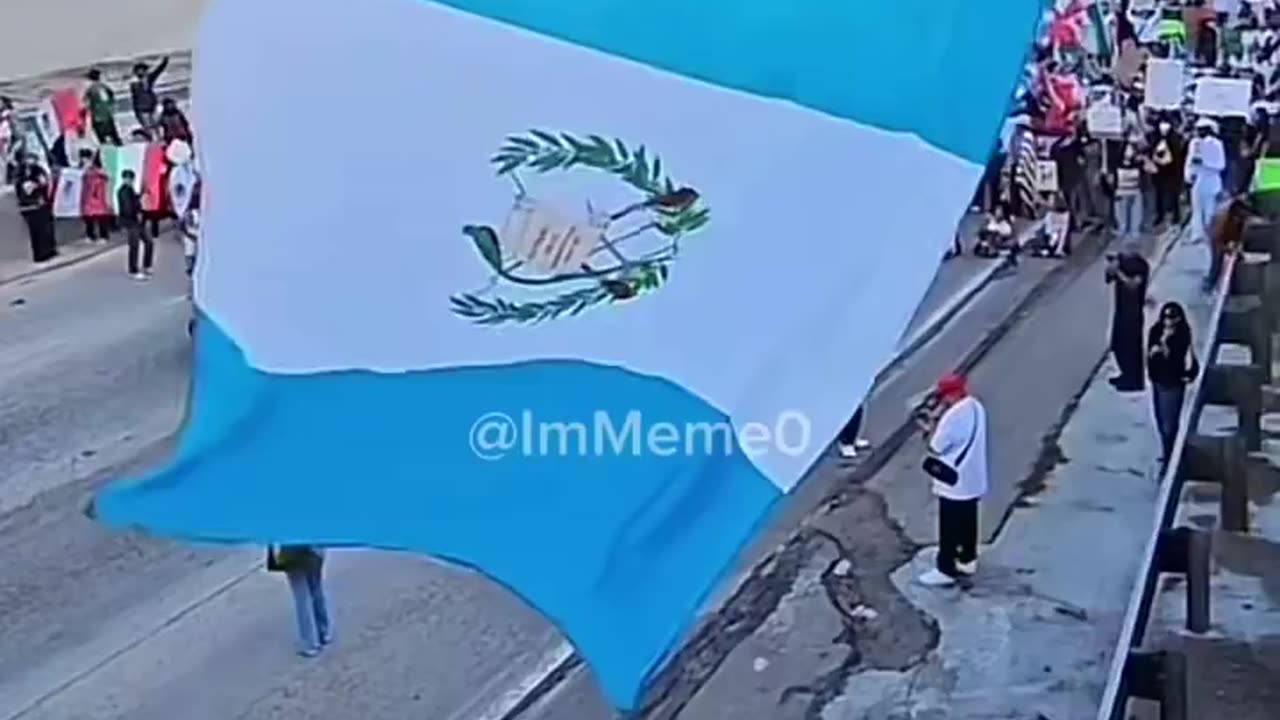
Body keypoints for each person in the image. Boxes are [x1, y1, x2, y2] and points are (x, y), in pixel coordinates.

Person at [916, 374, 988, 587]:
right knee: (968, 521)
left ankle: (945, 568)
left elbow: (936, 446)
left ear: (950, 394)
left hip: (954, 482)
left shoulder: (953, 416)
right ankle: (967, 559)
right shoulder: (976, 406)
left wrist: (929, 429)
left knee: (949, 527)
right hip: (973, 478)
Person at [1148, 302, 1199, 464]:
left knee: (1170, 424)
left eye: (1172, 317)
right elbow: (1149, 357)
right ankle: (1167, 452)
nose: (1168, 321)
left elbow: (1179, 358)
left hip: (1173, 384)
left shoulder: (1182, 335)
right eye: (1165, 317)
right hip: (1158, 382)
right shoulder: (1155, 331)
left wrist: (1165, 346)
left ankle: (1172, 456)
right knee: (1160, 420)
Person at [268, 545, 333, 656]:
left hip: (292, 553)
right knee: (316, 590)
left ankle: (310, 643)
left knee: (301, 597)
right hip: (314, 549)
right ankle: (324, 632)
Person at [1105, 244, 1150, 392]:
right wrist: (1113, 267)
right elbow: (1108, 277)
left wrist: (1119, 272)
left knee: (1131, 347)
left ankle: (1133, 380)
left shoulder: (1140, 266)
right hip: (1121, 310)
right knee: (1118, 345)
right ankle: (1124, 374)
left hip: (1133, 312)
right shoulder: (1122, 262)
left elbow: (1133, 285)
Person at [1186, 117, 1226, 246]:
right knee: (1196, 209)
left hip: (1211, 180)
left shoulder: (1217, 144)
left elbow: (1221, 165)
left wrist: (1205, 163)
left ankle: (1211, 234)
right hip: (1198, 180)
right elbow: (1189, 160)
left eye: (1202, 130)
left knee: (1210, 209)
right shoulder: (1194, 143)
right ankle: (1197, 234)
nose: (1199, 133)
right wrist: (1188, 175)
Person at [14, 154, 58, 263]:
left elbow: (45, 182)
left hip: (39, 203)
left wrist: (38, 185)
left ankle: (48, 251)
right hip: (30, 205)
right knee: (36, 231)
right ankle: (39, 254)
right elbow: (19, 188)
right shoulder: (20, 173)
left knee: (44, 228)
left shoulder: (38, 170)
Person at [1205, 194, 1252, 290]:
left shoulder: (1241, 217)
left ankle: (1233, 285)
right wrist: (1227, 249)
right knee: (1217, 261)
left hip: (1227, 234)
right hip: (1216, 236)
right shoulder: (1222, 219)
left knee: (1236, 259)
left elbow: (1240, 233)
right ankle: (1210, 283)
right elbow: (1217, 241)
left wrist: (1237, 246)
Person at [117, 169, 153, 279]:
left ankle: (146, 266)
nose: (129, 180)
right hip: (131, 221)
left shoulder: (129, 189)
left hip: (137, 221)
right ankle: (133, 269)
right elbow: (128, 207)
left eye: (131, 179)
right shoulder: (123, 191)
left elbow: (133, 201)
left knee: (148, 242)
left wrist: (140, 196)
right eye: (127, 178)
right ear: (124, 179)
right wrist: (137, 212)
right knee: (134, 245)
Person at [1150, 118, 1186, 226]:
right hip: (1159, 170)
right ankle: (1160, 214)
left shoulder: (1174, 137)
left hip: (1172, 170)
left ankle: (1176, 215)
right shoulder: (1155, 136)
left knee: (1174, 193)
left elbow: (1178, 154)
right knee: (1159, 193)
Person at [1107, 144, 1146, 241]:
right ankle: (1122, 240)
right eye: (1128, 149)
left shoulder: (1138, 163)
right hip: (1121, 193)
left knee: (1136, 220)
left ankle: (1134, 240)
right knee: (1122, 221)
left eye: (1132, 149)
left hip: (1135, 193)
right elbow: (1111, 180)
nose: (1129, 152)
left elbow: (1153, 169)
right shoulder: (1117, 163)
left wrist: (1145, 159)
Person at [130, 57, 170, 136]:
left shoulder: (149, 79)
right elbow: (135, 98)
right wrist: (137, 112)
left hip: (152, 106)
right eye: (139, 70)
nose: (142, 72)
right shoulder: (134, 83)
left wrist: (164, 63)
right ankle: (153, 142)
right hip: (142, 110)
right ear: (136, 72)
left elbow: (158, 71)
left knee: (156, 127)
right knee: (149, 129)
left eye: (143, 70)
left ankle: (160, 141)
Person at [83, 68, 121, 146]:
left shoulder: (90, 89)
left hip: (98, 117)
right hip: (107, 115)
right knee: (114, 136)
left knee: (102, 139)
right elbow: (111, 97)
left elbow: (85, 103)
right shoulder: (104, 87)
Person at [81, 152, 112, 243]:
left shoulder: (100, 171)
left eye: (87, 160)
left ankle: (103, 236)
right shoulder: (84, 172)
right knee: (88, 218)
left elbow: (107, 177)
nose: (85, 162)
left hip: (98, 197)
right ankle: (90, 235)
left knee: (101, 217)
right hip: (88, 198)